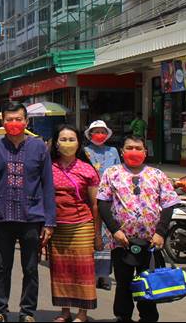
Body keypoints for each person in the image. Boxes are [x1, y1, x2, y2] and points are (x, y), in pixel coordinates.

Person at [0, 102, 56, 323]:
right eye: (9, 119)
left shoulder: (39, 147)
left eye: (18, 119)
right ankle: (0, 310)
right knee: (2, 268)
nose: (14, 124)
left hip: (32, 217)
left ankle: (27, 311)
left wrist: (49, 221)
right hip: (1, 216)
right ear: (2, 122)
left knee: (31, 268)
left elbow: (48, 185)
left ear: (26, 121)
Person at [97, 135, 180, 322]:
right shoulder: (112, 173)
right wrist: (114, 230)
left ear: (145, 152)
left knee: (149, 281)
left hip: (151, 242)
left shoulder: (157, 175)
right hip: (122, 241)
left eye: (138, 148)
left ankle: (148, 317)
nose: (133, 151)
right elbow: (102, 203)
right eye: (129, 148)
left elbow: (168, 204)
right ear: (122, 151)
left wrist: (161, 232)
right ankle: (123, 316)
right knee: (123, 283)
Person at [49, 125, 101, 323]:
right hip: (57, 226)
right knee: (61, 269)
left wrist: (97, 234)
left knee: (82, 271)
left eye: (72, 139)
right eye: (63, 139)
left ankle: (82, 313)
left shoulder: (87, 170)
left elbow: (95, 205)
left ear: (79, 143)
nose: (67, 143)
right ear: (56, 143)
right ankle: (65, 311)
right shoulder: (49, 167)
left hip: (82, 225)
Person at [83, 120, 121, 291]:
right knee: (90, 235)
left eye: (102, 131)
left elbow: (119, 172)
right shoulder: (84, 151)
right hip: (88, 198)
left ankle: (104, 275)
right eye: (96, 131)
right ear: (90, 134)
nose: (99, 134)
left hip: (108, 199)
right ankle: (90, 273)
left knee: (106, 238)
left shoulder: (113, 151)